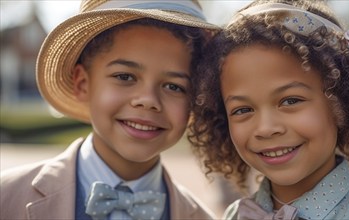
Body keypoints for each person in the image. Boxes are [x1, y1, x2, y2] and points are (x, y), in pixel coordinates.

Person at [0, 0, 220, 219]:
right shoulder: (6, 198)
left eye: (174, 86)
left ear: (196, 100)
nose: (148, 100)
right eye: (124, 76)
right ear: (82, 84)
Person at [188, 0, 349, 219]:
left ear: (341, 102)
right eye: (242, 110)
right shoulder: (237, 214)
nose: (266, 128)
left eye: (291, 101)